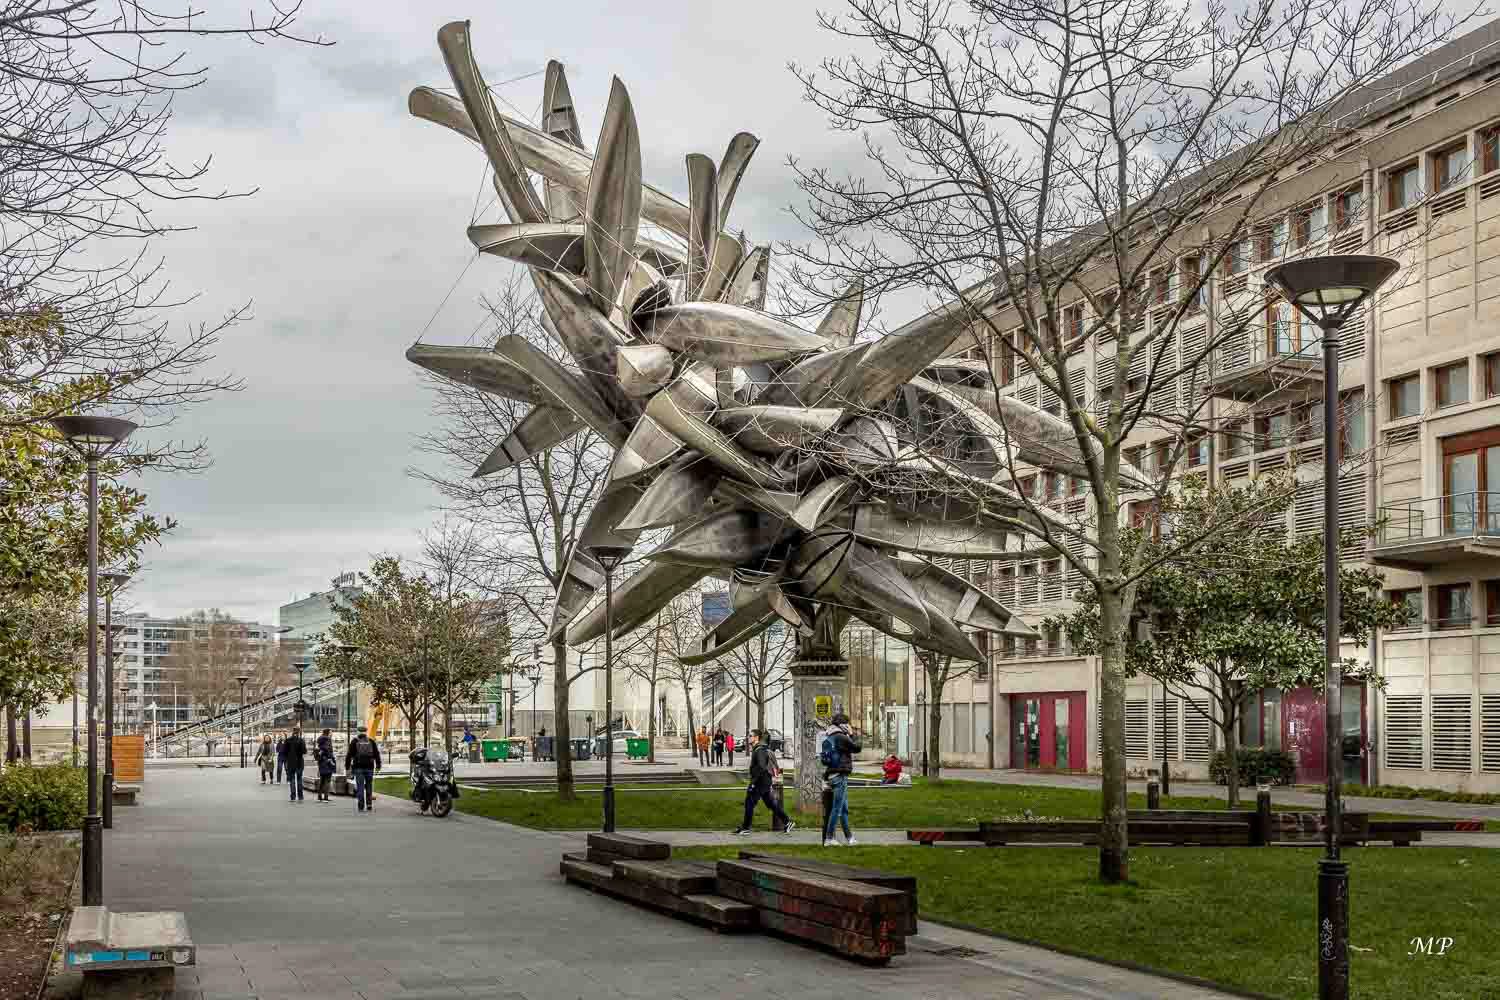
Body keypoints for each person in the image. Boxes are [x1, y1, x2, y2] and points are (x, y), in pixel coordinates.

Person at [733, 729, 794, 836]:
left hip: (760, 781)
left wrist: (753, 782)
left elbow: (761, 767)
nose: (748, 737)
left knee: (749, 803)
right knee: (770, 804)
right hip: (764, 781)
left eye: (750, 736)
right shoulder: (758, 749)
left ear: (756, 737)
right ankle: (787, 822)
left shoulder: (759, 750)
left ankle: (746, 827)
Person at [821, 713, 861, 846]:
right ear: (843, 724)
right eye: (848, 724)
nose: (849, 726)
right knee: (837, 809)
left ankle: (849, 838)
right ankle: (829, 838)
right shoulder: (841, 737)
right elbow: (857, 747)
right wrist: (851, 733)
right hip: (840, 775)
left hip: (831, 774)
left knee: (843, 809)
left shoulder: (830, 735)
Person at [346, 731, 382, 813]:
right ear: (365, 735)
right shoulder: (371, 741)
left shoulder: (354, 741)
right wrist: (378, 765)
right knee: (369, 785)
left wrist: (347, 767)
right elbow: (377, 754)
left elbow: (349, 755)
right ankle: (369, 804)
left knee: (360, 787)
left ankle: (361, 805)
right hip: (369, 767)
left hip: (358, 767)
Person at [282, 727, 307, 802]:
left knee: (292, 779)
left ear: (293, 732)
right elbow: (304, 751)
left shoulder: (288, 740)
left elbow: (284, 751)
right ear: (299, 732)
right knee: (299, 779)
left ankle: (293, 796)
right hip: (299, 762)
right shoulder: (301, 740)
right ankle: (300, 796)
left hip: (291, 762)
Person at [315, 728, 336, 802]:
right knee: (327, 779)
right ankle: (326, 797)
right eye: (331, 732)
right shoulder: (328, 739)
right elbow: (328, 750)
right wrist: (331, 758)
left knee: (322, 779)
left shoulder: (319, 739)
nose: (332, 733)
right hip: (327, 761)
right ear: (328, 733)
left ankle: (319, 797)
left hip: (321, 761)